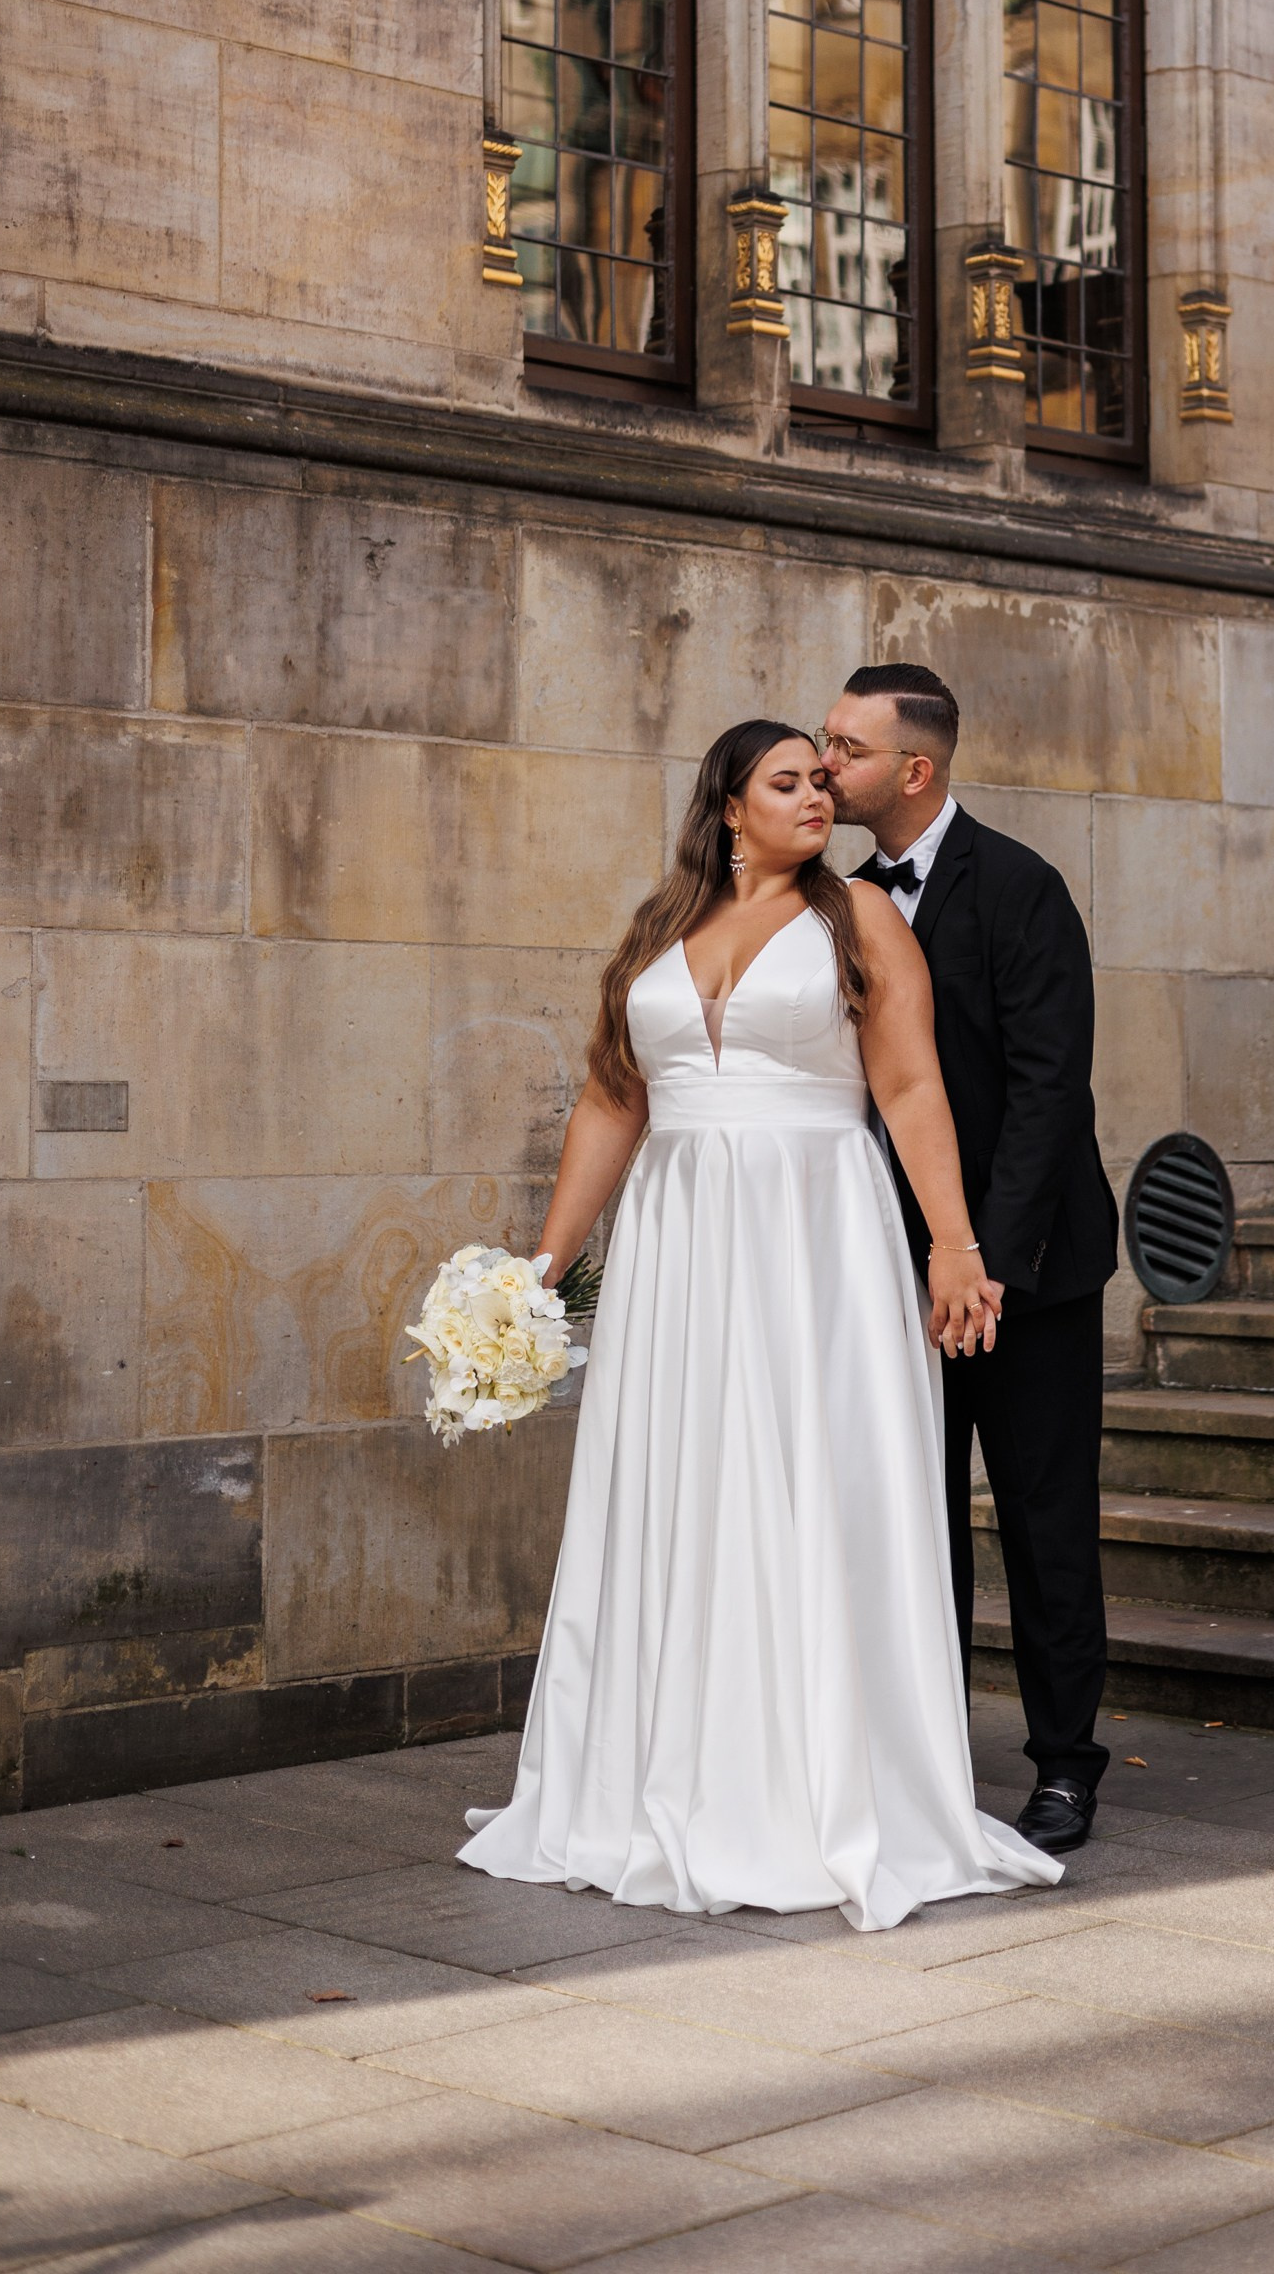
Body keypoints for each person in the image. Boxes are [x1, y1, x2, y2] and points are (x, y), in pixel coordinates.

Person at [459, 720, 1058, 1930]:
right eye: (786, 783)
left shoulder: (860, 921)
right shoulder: (655, 932)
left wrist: (953, 1243)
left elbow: (906, 1086)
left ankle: (814, 1791)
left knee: (808, 1484)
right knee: (679, 1488)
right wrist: (540, 1267)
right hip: (679, 1243)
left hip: (815, 1237)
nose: (815, 799)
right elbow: (608, 1104)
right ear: (727, 806)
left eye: (822, 783)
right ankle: (656, 1776)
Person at [820, 664, 1117, 1856]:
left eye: (844, 746)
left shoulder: (1021, 887)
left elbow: (1050, 1091)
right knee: (909, 1520)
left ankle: (1062, 1766)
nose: (824, 761)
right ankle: (929, 1757)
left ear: (914, 769)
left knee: (1045, 1521)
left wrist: (979, 1259)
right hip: (883, 1271)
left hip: (1029, 1274)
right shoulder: (830, 900)